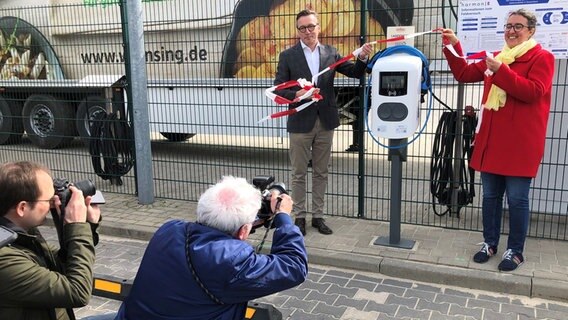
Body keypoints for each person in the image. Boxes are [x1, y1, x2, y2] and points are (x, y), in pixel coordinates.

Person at [442, 9, 554, 272]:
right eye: (508, 26)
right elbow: (464, 73)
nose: (512, 31)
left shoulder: (542, 57)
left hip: (520, 144)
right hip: (492, 140)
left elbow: (533, 92)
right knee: (490, 196)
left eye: (518, 26)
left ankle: (515, 250)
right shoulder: (499, 58)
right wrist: (452, 45)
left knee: (517, 199)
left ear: (531, 30)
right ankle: (489, 243)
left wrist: (501, 71)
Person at [115, 176, 307, 320]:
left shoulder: (169, 230)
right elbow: (294, 266)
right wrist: (282, 216)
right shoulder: (234, 263)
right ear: (244, 231)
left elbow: (212, 230)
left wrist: (251, 222)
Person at [274, 9, 372, 236]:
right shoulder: (288, 55)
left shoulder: (331, 53)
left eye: (311, 26)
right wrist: (296, 94)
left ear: (319, 27)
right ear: (297, 31)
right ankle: (299, 217)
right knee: (298, 172)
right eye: (302, 28)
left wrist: (363, 57)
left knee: (321, 171)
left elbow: (355, 72)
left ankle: (318, 216)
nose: (307, 31)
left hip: (325, 120)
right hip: (300, 121)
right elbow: (280, 85)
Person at [0, 161, 102, 319]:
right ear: (22, 208)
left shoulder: (21, 234)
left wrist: (77, 225)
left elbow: (61, 265)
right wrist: (77, 225)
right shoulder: (5, 260)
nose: (53, 203)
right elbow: (77, 291)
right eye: (48, 200)